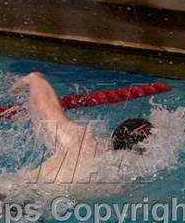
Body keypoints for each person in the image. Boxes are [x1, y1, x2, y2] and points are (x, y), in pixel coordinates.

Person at [8, 72, 153, 186]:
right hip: (27, 202)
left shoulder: (83, 139)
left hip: (8, 187)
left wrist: (35, 80)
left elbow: (47, 108)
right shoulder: (119, 179)